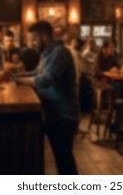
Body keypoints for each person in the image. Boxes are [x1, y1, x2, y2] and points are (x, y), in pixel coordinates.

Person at [15, 21, 79, 175]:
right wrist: (13, 76)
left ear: (44, 37)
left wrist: (17, 80)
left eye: (34, 40)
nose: (32, 44)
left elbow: (45, 79)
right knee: (61, 161)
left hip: (63, 115)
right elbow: (36, 73)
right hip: (53, 113)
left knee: (64, 162)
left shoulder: (60, 53)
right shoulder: (47, 53)